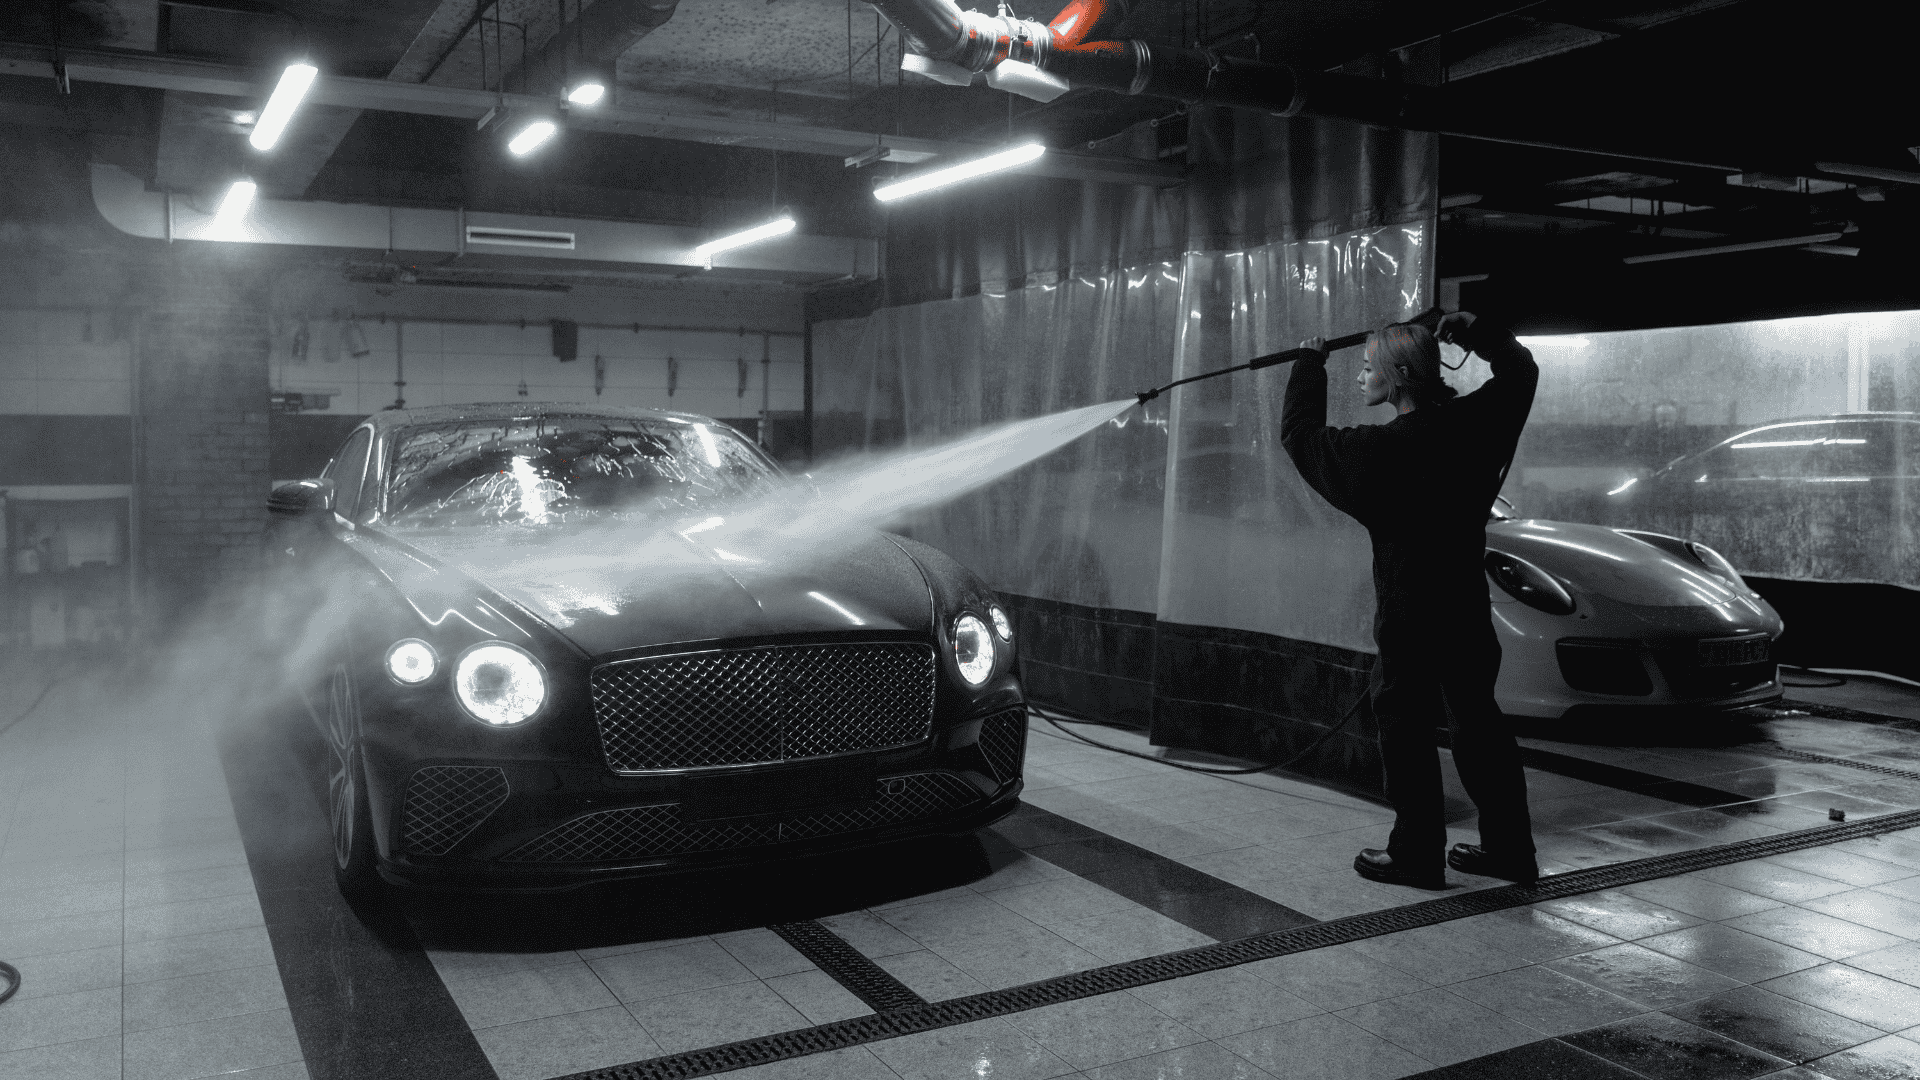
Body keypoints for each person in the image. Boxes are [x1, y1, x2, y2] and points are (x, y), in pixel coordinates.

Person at [1279, 311, 1540, 889]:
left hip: (1409, 608)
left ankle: (1417, 853)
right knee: (1477, 721)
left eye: (1368, 367)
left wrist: (1308, 364)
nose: (1361, 377)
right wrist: (1477, 330)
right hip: (1466, 606)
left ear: (1397, 375)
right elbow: (1520, 372)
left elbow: (1300, 438)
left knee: (1405, 725)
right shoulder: (1474, 424)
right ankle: (1510, 851)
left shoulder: (1379, 452)